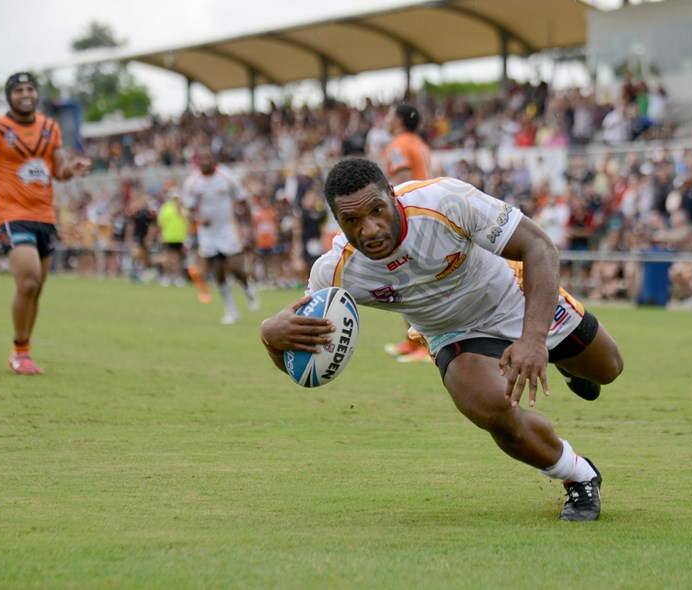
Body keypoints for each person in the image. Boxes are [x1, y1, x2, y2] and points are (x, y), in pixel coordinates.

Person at [259, 158, 624, 521]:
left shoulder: (445, 201)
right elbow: (304, 364)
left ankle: (571, 367)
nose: (369, 229)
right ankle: (578, 475)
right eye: (352, 221)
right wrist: (272, 340)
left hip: (513, 296)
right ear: (337, 222)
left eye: (376, 211)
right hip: (453, 333)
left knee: (609, 368)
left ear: (392, 196)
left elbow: (540, 247)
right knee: (489, 408)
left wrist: (533, 340)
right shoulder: (334, 271)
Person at [0, 72, 91, 375]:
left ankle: (22, 351)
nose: (25, 94)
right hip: (11, 215)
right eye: (18, 89)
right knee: (29, 280)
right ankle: (20, 352)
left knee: (36, 288)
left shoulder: (50, 127)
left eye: (30, 88)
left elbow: (58, 171)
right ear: (10, 96)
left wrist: (72, 168)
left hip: (45, 217)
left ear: (36, 94)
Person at [381, 102, 435, 363]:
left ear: (399, 120)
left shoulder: (398, 145)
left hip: (412, 218)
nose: (387, 118)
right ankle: (412, 341)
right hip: (427, 213)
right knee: (407, 279)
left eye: (391, 114)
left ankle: (425, 343)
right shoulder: (420, 144)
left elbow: (402, 183)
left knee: (411, 280)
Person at [183, 145, 258, 324]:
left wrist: (248, 227)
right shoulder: (192, 183)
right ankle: (231, 311)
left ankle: (248, 289)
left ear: (215, 159)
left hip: (227, 229)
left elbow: (243, 202)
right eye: (203, 158)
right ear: (198, 161)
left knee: (234, 266)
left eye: (209, 157)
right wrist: (199, 221)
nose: (207, 161)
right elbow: (189, 211)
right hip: (207, 233)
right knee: (218, 271)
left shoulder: (227, 177)